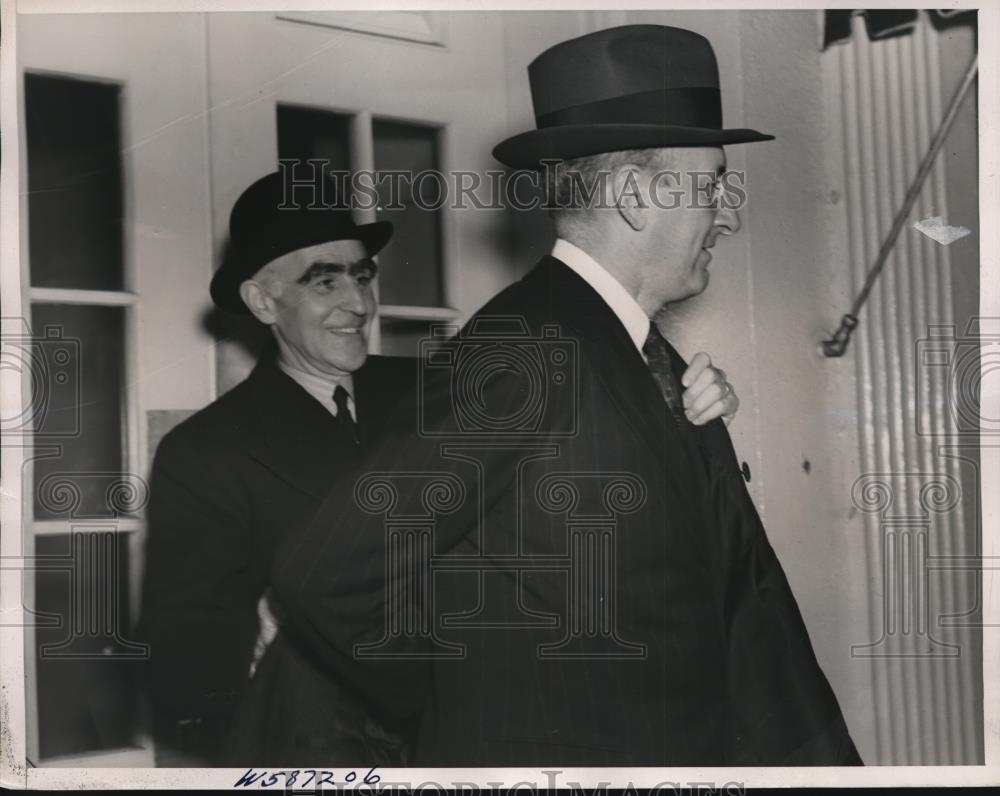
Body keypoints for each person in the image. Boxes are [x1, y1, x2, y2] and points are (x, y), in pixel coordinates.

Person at [272, 25, 849, 767]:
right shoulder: (525, 350)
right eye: (711, 186)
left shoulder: (637, 349)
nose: (727, 214)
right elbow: (328, 573)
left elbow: (728, 593)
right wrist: (463, 698)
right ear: (637, 196)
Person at [136, 171, 418, 766]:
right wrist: (271, 619)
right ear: (262, 302)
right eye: (325, 281)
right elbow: (182, 665)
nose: (358, 303)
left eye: (362, 275)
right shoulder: (205, 451)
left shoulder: (432, 396)